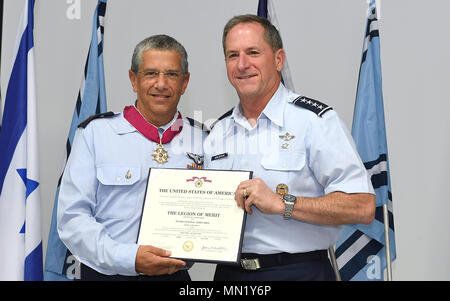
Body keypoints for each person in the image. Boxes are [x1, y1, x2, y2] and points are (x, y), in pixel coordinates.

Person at [204, 15, 376, 281]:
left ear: (278, 59)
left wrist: (282, 203)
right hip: (230, 276)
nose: (242, 64)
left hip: (298, 272)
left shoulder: (314, 121)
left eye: (253, 52)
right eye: (232, 55)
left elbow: (362, 207)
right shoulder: (217, 132)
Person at [57, 34, 207, 281]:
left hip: (173, 277)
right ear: (133, 80)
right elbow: (73, 219)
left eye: (171, 74)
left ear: (184, 82)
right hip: (107, 274)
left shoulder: (204, 141)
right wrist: (129, 257)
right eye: (151, 74)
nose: (161, 84)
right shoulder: (96, 134)